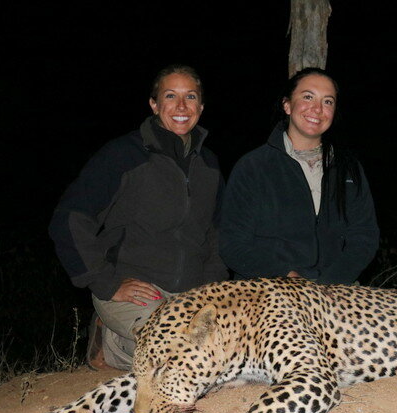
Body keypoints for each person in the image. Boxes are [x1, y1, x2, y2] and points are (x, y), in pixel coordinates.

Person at [49, 65, 228, 370]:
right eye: (170, 96)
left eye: (190, 97)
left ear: (201, 106)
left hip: (190, 295)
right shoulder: (124, 155)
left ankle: (124, 343)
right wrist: (105, 281)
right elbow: (69, 219)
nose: (181, 106)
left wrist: (209, 289)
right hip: (137, 290)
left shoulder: (209, 165)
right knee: (181, 358)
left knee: (230, 348)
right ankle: (112, 344)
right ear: (154, 105)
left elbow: (217, 234)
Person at [220, 67, 379, 284]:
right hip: (268, 287)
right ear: (287, 105)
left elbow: (364, 237)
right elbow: (232, 244)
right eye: (308, 97)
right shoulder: (253, 167)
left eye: (328, 101)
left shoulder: (348, 168)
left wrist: (329, 285)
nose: (317, 109)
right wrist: (286, 276)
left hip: (336, 290)